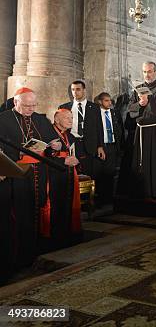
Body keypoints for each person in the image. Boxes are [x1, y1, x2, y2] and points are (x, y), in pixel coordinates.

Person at [0, 88, 58, 279]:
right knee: (17, 216)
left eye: (33, 105)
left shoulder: (40, 119)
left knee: (35, 214)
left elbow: (52, 145)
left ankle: (32, 255)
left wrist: (55, 146)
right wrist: (18, 154)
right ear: (16, 102)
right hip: (14, 177)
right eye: (26, 105)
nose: (31, 109)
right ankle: (13, 260)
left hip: (37, 175)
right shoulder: (4, 119)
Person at [127, 61, 156, 199]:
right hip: (141, 130)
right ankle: (142, 191)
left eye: (149, 71)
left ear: (155, 72)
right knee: (142, 161)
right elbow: (130, 109)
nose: (147, 74)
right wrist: (140, 104)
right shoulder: (139, 88)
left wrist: (150, 101)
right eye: (144, 72)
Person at [44, 109, 82, 249]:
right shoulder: (48, 134)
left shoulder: (70, 136)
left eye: (71, 118)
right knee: (56, 206)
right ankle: (55, 238)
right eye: (67, 118)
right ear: (57, 119)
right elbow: (45, 155)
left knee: (67, 205)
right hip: (53, 175)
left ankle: (66, 235)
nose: (71, 120)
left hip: (68, 175)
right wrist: (63, 160)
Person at [58, 80, 105, 177]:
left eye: (78, 89)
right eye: (73, 90)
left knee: (89, 173)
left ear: (84, 90)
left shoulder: (95, 107)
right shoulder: (64, 107)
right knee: (73, 173)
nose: (75, 92)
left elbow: (99, 127)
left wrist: (100, 146)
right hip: (72, 143)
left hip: (89, 145)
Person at [95, 92, 124, 205]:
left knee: (111, 173)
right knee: (100, 174)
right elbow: (95, 131)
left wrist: (120, 146)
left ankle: (109, 198)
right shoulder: (96, 114)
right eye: (106, 100)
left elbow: (119, 129)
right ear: (100, 101)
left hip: (112, 146)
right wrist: (98, 145)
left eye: (110, 100)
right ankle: (100, 198)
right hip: (102, 146)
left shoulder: (114, 113)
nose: (109, 103)